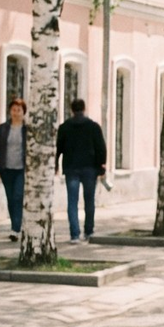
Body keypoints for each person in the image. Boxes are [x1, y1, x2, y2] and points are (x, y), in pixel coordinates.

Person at [56, 98, 107, 244]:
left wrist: (55, 164)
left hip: (71, 168)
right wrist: (102, 165)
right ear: (84, 109)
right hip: (90, 168)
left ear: (72, 110)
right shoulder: (93, 126)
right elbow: (100, 147)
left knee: (72, 201)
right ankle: (89, 231)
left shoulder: (65, 127)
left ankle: (74, 234)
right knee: (89, 200)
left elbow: (58, 148)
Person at [0, 98, 28, 241]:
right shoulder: (3, 128)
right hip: (6, 168)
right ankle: (15, 226)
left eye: (19, 110)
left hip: (21, 169)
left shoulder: (27, 129)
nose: (16, 113)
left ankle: (16, 228)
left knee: (18, 196)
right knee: (10, 199)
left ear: (23, 112)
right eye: (13, 110)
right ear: (10, 111)